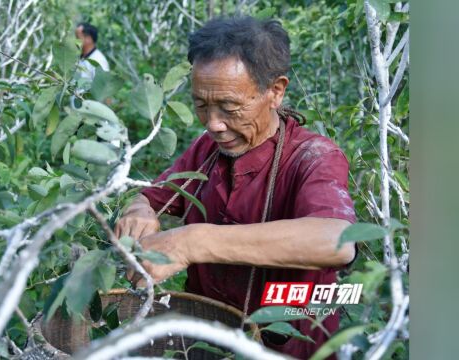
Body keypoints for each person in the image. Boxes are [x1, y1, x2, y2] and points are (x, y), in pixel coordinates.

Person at [114, 17, 357, 359]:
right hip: (205, 340)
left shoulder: (312, 157)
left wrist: (193, 243)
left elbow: (337, 242)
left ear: (276, 91)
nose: (213, 123)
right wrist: (138, 211)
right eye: (202, 105)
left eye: (229, 107)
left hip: (286, 349)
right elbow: (149, 195)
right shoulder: (206, 151)